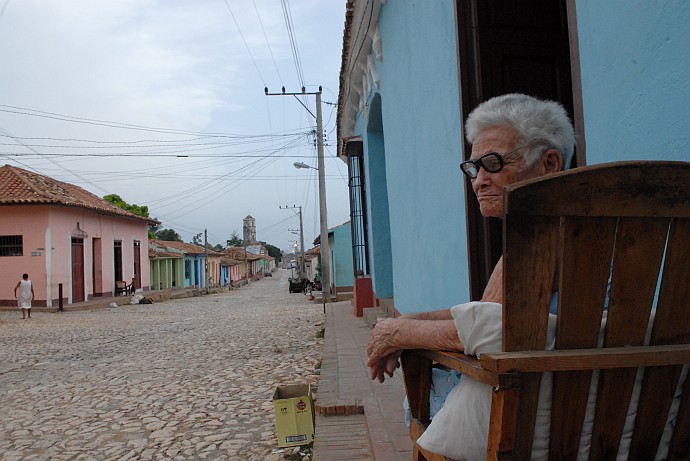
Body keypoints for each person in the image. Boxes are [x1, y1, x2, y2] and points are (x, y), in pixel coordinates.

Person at [367, 93, 575, 383]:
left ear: (549, 164)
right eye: (475, 168)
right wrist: (406, 322)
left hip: (533, 404)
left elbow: (487, 329)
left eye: (493, 163)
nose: (478, 181)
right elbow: (486, 314)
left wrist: (397, 333)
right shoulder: (557, 226)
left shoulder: (548, 233)